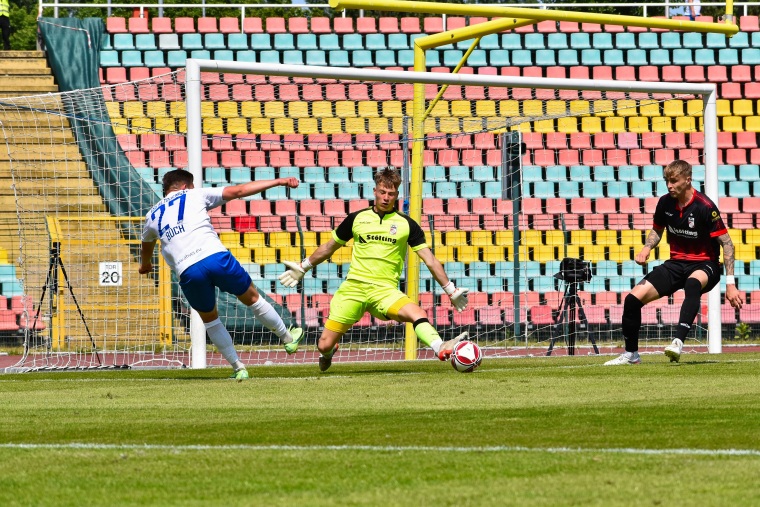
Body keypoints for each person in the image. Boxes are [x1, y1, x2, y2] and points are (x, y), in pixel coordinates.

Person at [278, 167, 470, 372]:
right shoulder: (356, 218)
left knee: (417, 312)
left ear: (397, 195)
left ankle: (439, 346)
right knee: (323, 344)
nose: (386, 197)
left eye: (391, 194)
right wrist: (304, 266)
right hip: (353, 289)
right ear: (375, 191)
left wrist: (450, 289)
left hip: (384, 292)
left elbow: (430, 260)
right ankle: (329, 350)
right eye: (382, 192)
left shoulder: (407, 225)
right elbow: (329, 247)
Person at [139, 169, 304, 380]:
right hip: (214, 257)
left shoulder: (152, 214)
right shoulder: (194, 194)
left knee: (211, 321)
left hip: (187, 269)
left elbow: (147, 243)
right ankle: (287, 338)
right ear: (185, 186)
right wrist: (278, 181)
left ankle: (238, 368)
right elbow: (240, 190)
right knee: (252, 298)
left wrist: (144, 265)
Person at [605, 160, 743, 366]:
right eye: (667, 181)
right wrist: (646, 248)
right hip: (676, 263)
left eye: (674, 181)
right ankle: (631, 355)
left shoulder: (705, 206)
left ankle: (677, 342)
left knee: (692, 284)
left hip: (706, 264)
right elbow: (657, 230)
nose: (669, 185)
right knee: (632, 300)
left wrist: (730, 284)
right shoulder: (664, 203)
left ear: (687, 180)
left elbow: (727, 244)